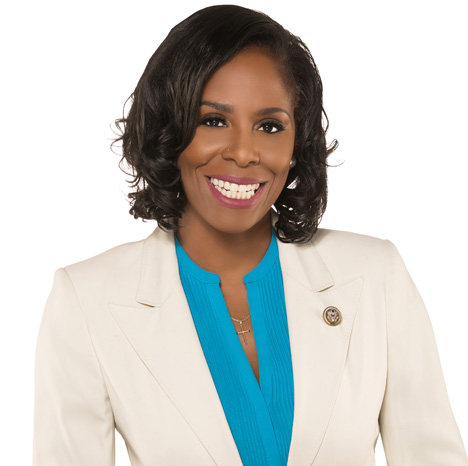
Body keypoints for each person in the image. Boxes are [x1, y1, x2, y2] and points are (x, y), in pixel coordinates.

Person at [33, 5, 468, 466]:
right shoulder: (86, 301)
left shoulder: (376, 277)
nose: (244, 153)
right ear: (168, 130)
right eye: (213, 121)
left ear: (296, 144)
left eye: (269, 126)